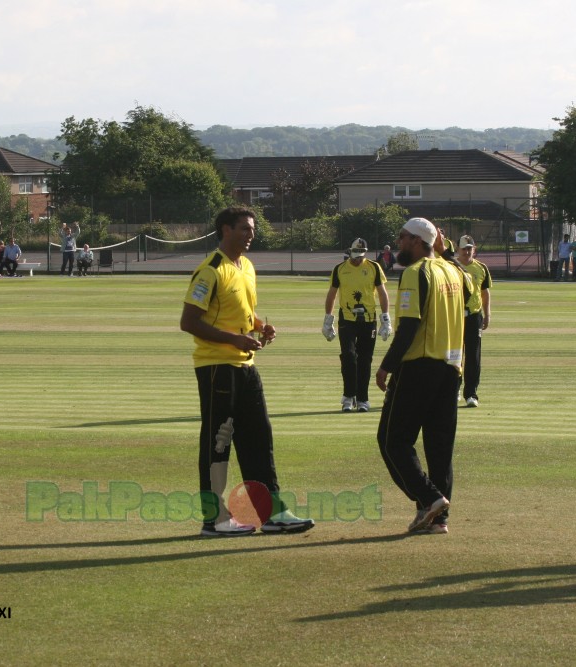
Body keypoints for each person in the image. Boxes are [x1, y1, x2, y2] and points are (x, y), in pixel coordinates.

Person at [180, 206, 315, 537]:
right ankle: (215, 519)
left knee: (259, 439)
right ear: (225, 230)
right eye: (244, 229)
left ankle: (273, 514)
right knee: (218, 445)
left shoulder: (247, 267)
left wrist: (259, 327)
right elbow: (189, 322)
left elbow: (242, 312)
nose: (251, 234)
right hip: (216, 368)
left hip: (245, 367)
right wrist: (234, 338)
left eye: (252, 229)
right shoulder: (211, 270)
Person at [376, 217, 470, 535]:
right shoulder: (454, 271)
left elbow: (409, 327)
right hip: (451, 369)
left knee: (393, 441)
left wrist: (386, 364)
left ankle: (430, 499)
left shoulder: (416, 273)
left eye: (402, 237)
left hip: (419, 366)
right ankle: (438, 520)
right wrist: (446, 253)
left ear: (417, 241)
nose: (399, 243)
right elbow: (471, 298)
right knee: (439, 447)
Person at [322, 238, 392, 413]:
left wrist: (385, 319)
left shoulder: (374, 267)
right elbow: (332, 294)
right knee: (348, 357)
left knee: (365, 360)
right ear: (349, 252)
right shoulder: (340, 269)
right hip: (347, 319)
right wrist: (327, 320)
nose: (358, 259)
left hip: (368, 320)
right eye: (355, 255)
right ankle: (348, 396)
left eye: (361, 255)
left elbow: (383, 294)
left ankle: (362, 399)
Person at [456, 235, 492, 408]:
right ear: (458, 250)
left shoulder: (481, 268)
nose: (467, 251)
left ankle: (471, 393)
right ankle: (454, 388)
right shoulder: (451, 266)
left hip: (474, 315)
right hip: (454, 315)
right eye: (464, 248)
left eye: (470, 248)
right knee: (454, 354)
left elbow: (484, 293)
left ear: (474, 249)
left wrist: (487, 314)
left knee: (473, 355)